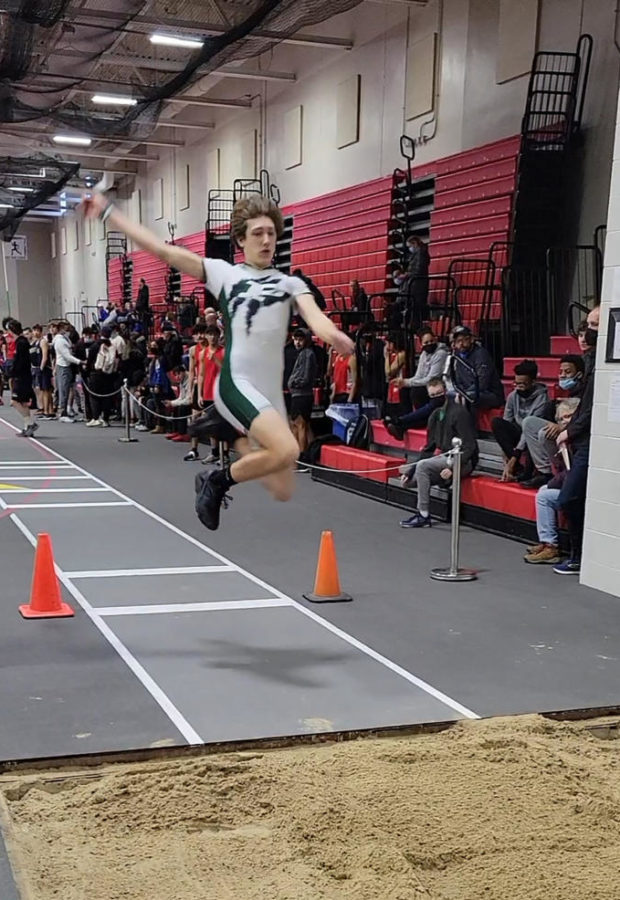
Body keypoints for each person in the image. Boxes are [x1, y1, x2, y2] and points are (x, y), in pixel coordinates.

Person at [84, 191, 354, 530]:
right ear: (241, 239)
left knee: (282, 486)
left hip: (270, 387)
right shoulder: (224, 274)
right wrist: (109, 213)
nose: (267, 240)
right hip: (237, 380)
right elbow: (162, 251)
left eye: (271, 233)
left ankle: (232, 433)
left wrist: (335, 337)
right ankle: (216, 478)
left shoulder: (290, 283)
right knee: (286, 450)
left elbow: (317, 320)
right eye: (258, 233)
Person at [399, 380, 479, 528]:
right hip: (444, 457)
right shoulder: (435, 415)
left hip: (463, 460)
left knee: (423, 466)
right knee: (408, 481)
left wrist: (454, 467)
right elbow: (429, 448)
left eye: (439, 394)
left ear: (445, 392)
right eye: (432, 395)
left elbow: (470, 446)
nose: (436, 397)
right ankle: (432, 494)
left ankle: (423, 515)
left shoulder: (459, 412)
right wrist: (410, 471)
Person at [523, 398, 581, 565]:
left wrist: (553, 483)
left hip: (583, 490)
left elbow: (572, 472)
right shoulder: (565, 440)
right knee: (543, 492)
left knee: (545, 495)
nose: (564, 421)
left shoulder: (580, 441)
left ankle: (551, 547)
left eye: (568, 417)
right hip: (572, 484)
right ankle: (547, 543)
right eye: (560, 419)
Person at [520, 354, 586, 489]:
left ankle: (561, 473)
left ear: (579, 375)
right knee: (529, 423)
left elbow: (584, 421)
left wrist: (563, 428)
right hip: (561, 437)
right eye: (560, 372)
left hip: (576, 437)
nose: (562, 375)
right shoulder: (559, 397)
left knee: (544, 434)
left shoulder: (586, 393)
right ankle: (546, 473)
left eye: (568, 372)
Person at [384, 328, 449, 438]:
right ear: (421, 344)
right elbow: (419, 375)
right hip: (426, 387)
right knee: (405, 389)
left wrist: (407, 382)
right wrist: (405, 382)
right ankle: (401, 425)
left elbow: (431, 378)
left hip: (437, 389)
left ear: (436, 339)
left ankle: (400, 421)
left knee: (416, 390)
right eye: (426, 342)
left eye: (431, 341)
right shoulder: (424, 354)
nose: (429, 344)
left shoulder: (441, 353)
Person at [491, 360, 548, 483]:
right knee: (497, 423)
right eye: (516, 383)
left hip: (533, 434)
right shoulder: (513, 396)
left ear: (533, 382)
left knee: (530, 430)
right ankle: (515, 469)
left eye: (523, 384)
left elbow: (529, 428)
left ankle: (528, 473)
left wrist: (514, 457)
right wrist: (507, 458)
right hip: (518, 431)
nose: (519, 387)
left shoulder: (542, 398)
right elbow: (507, 421)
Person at [449, 325, 504, 410]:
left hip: (490, 393)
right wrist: (460, 392)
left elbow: (482, 382)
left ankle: (468, 423)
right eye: (457, 341)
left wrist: (464, 393)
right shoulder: (457, 355)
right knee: (448, 396)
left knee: (468, 398)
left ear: (471, 339)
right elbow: (458, 379)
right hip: (469, 391)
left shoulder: (481, 354)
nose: (461, 344)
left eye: (464, 340)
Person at [288, 327, 317, 454]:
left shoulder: (307, 354)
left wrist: (293, 383)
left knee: (301, 425)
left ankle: (302, 455)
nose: (298, 342)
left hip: (302, 394)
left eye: (301, 339)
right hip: (297, 394)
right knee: (295, 424)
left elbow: (305, 377)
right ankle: (299, 454)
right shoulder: (302, 354)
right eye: (296, 339)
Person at [8, 319, 37, 437]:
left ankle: (30, 424)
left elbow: (21, 361)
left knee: (14, 402)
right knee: (24, 402)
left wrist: (13, 372)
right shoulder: (21, 342)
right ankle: (27, 427)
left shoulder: (21, 343)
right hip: (23, 376)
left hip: (22, 377)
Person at [52, 321, 82, 422]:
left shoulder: (65, 339)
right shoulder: (60, 340)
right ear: (61, 328)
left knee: (67, 388)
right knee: (63, 389)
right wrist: (80, 362)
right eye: (66, 328)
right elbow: (67, 355)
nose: (68, 330)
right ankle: (62, 413)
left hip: (67, 366)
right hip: (63, 366)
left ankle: (64, 411)